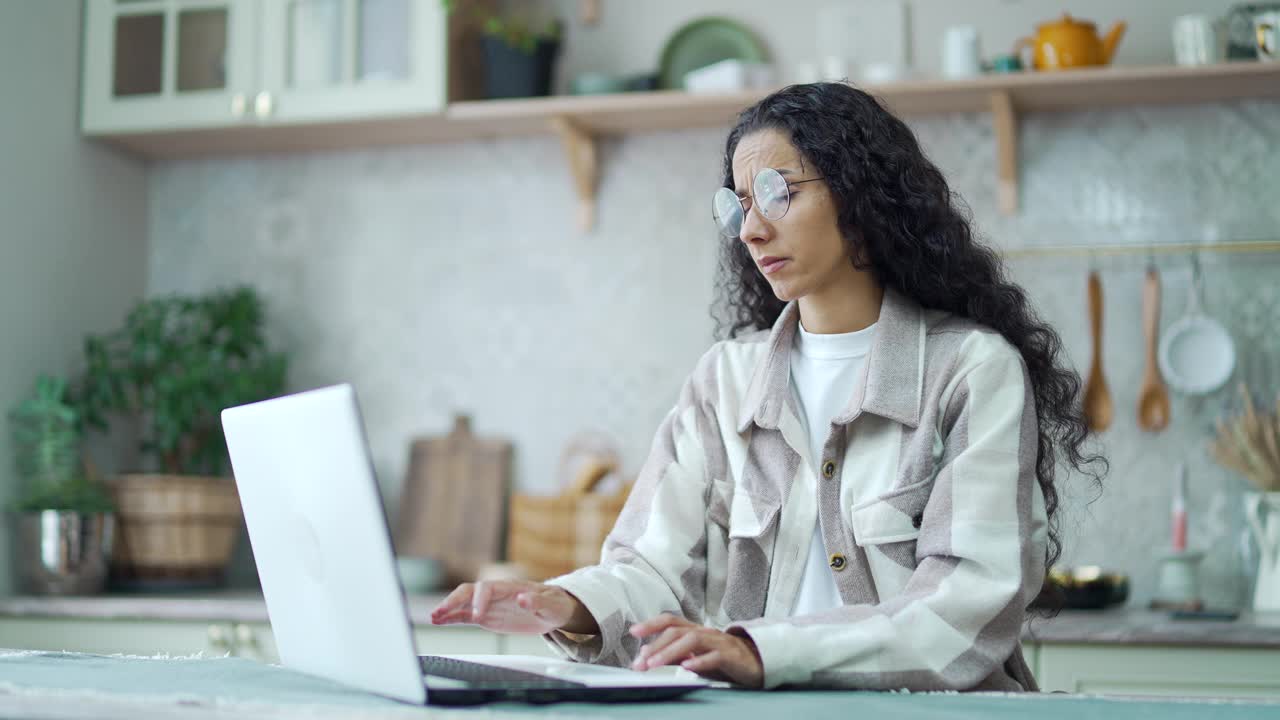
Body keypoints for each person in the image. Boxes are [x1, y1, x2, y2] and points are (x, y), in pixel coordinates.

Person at [430, 82, 1104, 691]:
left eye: (781, 192)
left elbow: (966, 609)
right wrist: (568, 605)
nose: (751, 229)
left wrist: (761, 651)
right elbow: (652, 568)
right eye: (740, 204)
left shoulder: (972, 371)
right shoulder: (725, 379)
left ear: (860, 194)